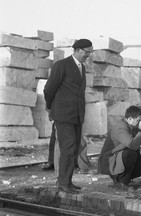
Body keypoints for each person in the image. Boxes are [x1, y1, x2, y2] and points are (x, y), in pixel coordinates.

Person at [44, 39, 93, 194]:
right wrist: (51, 107)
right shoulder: (61, 65)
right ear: (77, 50)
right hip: (63, 114)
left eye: (90, 52)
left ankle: (67, 181)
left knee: (73, 148)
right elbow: (49, 88)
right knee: (68, 147)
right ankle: (63, 183)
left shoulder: (82, 67)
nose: (88, 55)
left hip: (77, 115)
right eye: (87, 52)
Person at [97, 106, 141, 190]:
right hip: (109, 160)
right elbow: (132, 144)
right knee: (131, 153)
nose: (140, 123)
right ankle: (121, 182)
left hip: (118, 157)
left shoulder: (131, 126)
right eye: (138, 121)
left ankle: (123, 179)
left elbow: (138, 138)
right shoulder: (120, 127)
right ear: (130, 119)